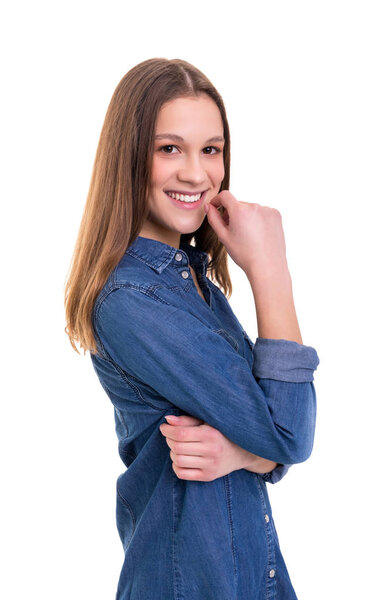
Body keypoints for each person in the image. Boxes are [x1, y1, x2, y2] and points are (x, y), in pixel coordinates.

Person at [64, 57, 320, 600]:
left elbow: (275, 431)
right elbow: (290, 429)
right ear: (128, 158)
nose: (196, 174)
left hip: (247, 575)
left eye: (211, 150)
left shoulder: (191, 280)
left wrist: (249, 452)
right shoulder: (134, 300)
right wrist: (272, 271)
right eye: (169, 149)